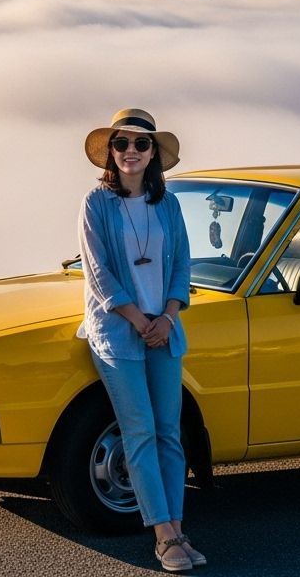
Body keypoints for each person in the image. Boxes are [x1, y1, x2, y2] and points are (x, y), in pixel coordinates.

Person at [78, 108, 203, 572]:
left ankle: (179, 528)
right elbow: (97, 273)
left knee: (169, 433)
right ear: (111, 152)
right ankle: (164, 537)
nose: (131, 151)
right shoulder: (95, 203)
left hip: (164, 330)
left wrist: (167, 317)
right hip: (118, 333)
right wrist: (137, 319)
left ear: (154, 153)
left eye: (141, 143)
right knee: (140, 433)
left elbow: (182, 264)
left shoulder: (167, 204)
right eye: (122, 143)